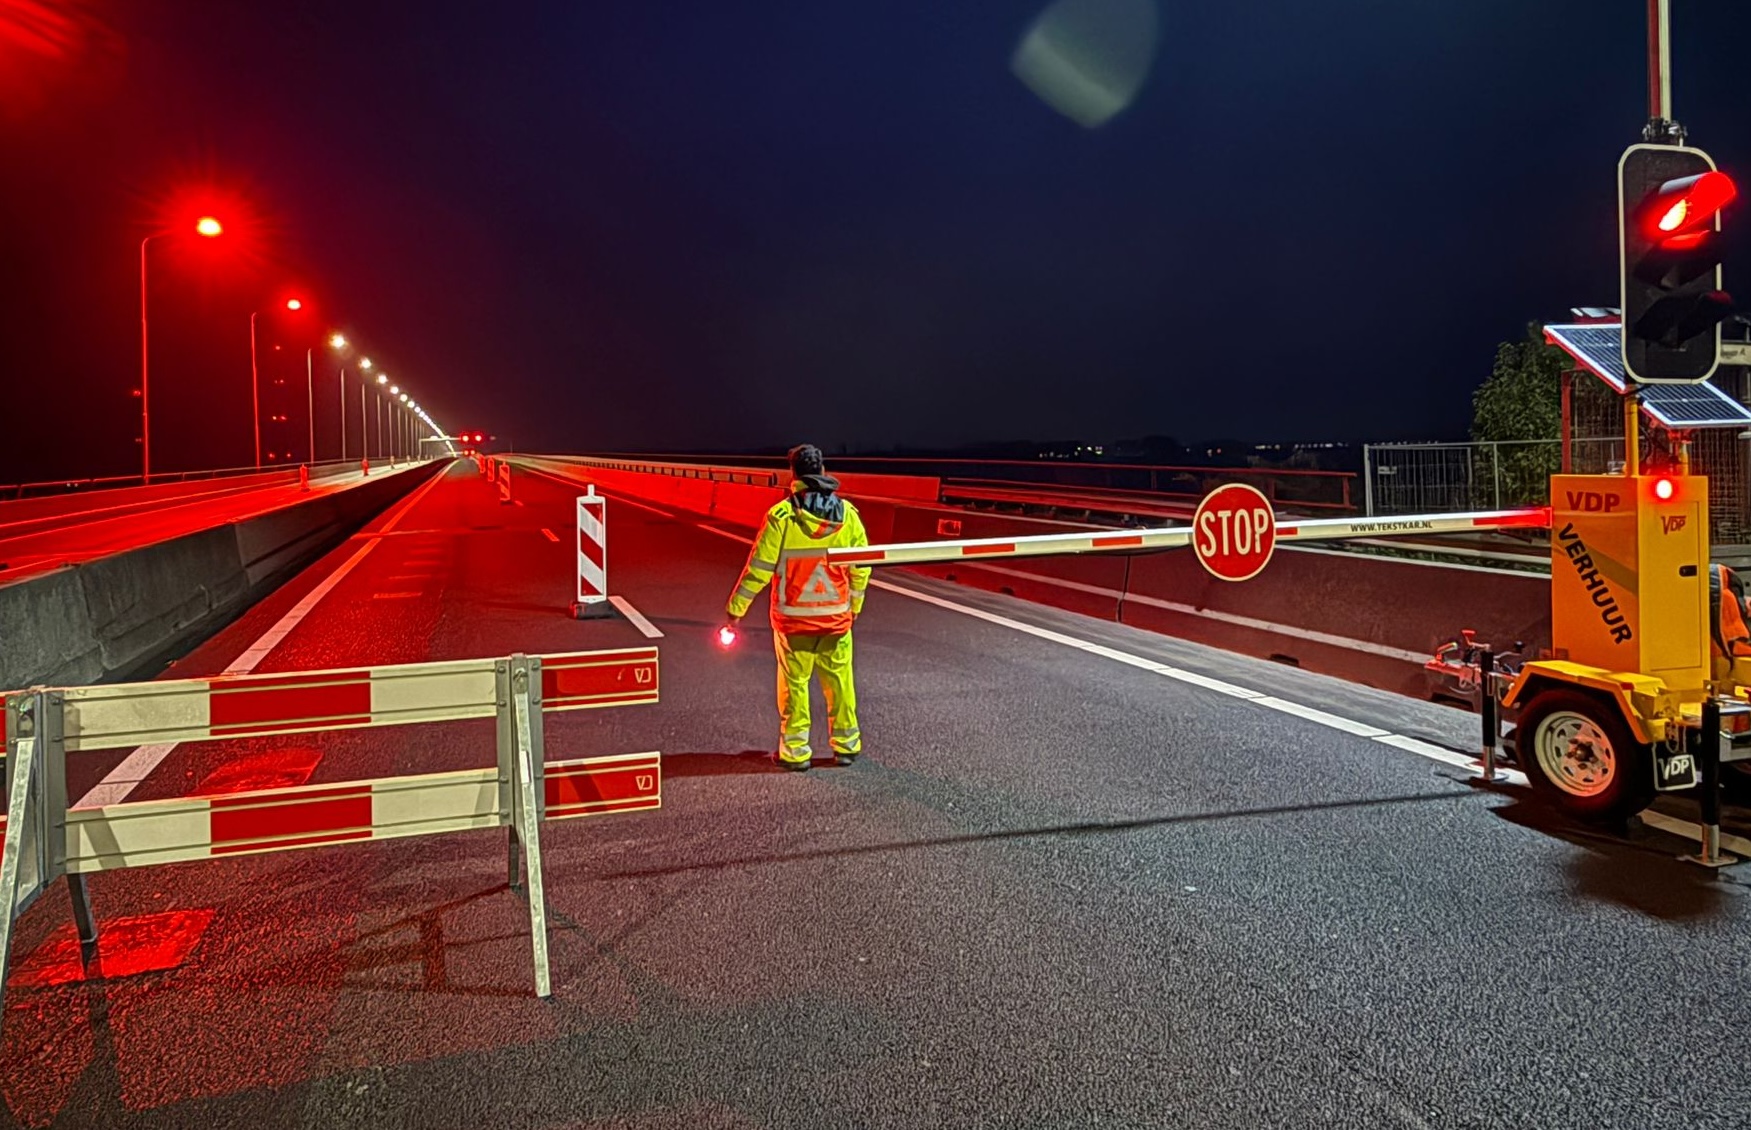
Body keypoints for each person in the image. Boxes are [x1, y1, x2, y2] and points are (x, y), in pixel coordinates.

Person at [723, 444, 871, 770]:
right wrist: (854, 606)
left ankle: (795, 753)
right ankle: (846, 747)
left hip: (793, 623)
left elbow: (758, 569)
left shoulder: (782, 517)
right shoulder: (849, 517)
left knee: (795, 685)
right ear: (822, 469)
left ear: (794, 473)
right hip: (835, 620)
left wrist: (736, 610)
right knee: (840, 683)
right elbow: (861, 567)